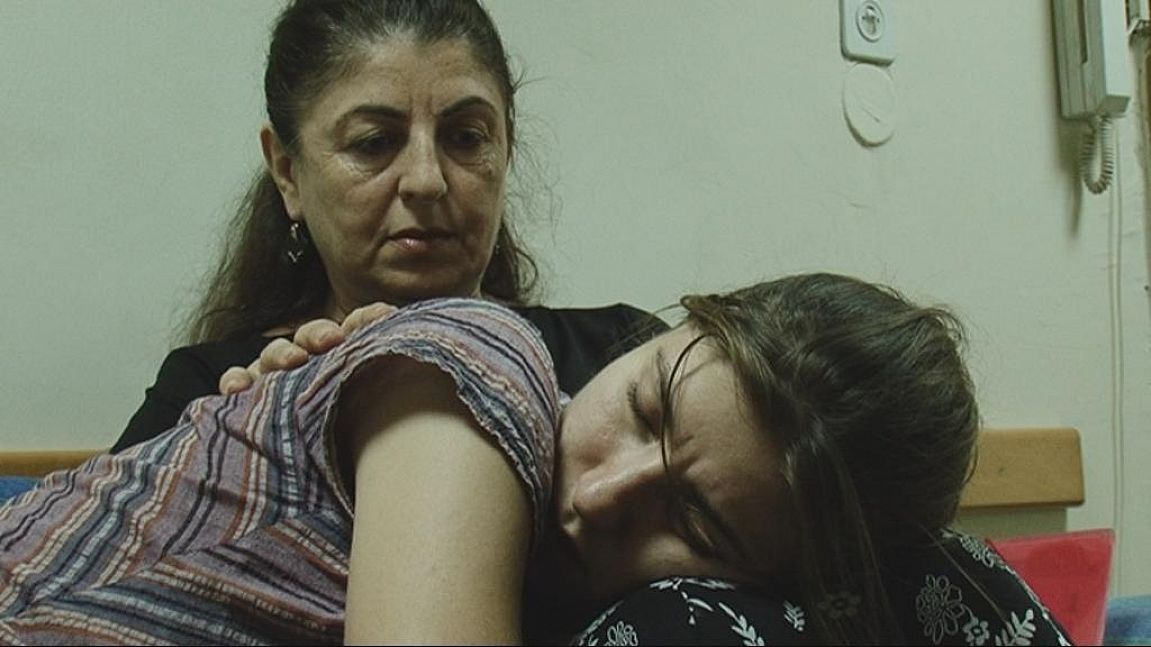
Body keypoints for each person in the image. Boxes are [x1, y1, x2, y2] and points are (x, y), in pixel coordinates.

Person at [1, 273, 1070, 645]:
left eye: (694, 524)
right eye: (643, 403)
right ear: (658, 333)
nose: (597, 493)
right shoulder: (490, 364)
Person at [110, 0, 664, 454]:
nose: (426, 180)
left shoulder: (621, 360)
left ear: (506, 147)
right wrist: (242, 449)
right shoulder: (214, 392)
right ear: (287, 172)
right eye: (373, 143)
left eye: (466, 138)